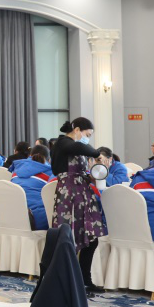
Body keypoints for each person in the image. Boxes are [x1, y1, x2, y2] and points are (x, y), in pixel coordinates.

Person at [52, 117, 105, 292]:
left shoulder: (73, 146)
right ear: (76, 130)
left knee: (91, 238)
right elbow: (80, 148)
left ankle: (84, 280)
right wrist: (97, 154)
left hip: (81, 193)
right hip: (70, 195)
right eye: (87, 135)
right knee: (70, 238)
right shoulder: (63, 143)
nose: (87, 139)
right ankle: (68, 281)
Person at [11, 145, 54, 230]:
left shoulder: (16, 170)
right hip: (37, 220)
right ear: (49, 159)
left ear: (30, 155)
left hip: (13, 216)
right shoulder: (50, 173)